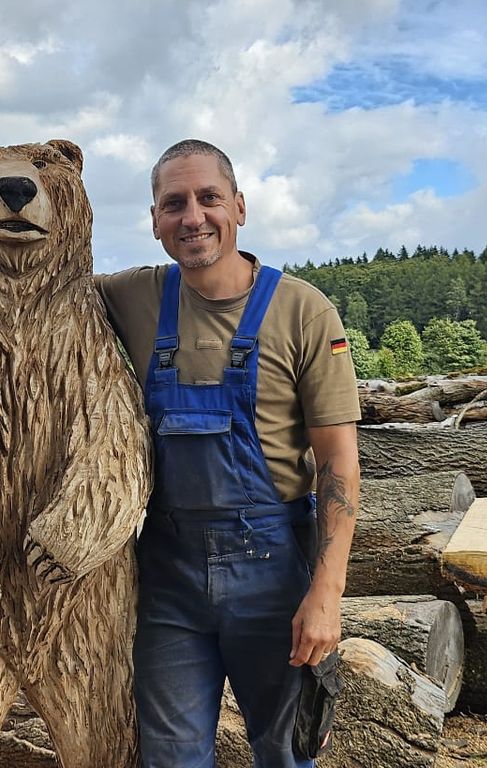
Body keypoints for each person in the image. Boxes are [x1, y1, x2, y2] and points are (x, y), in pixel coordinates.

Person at [94, 139, 361, 768]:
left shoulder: (301, 309)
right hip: (166, 572)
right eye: (173, 203)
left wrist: (327, 592)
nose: (193, 217)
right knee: (170, 757)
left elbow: (338, 463)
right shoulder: (130, 297)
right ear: (154, 219)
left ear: (239, 206)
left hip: (272, 568)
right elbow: (34, 288)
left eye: (209, 198)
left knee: (285, 751)